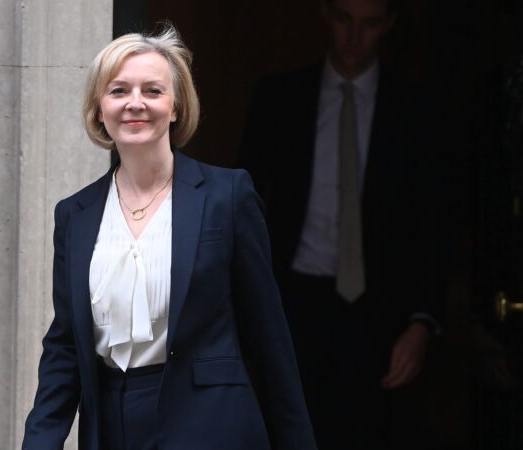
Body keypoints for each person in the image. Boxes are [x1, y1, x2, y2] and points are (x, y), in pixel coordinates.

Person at [23, 26, 317, 450]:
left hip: (210, 426)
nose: (135, 103)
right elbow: (66, 346)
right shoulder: (74, 215)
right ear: (99, 109)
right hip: (111, 427)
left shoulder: (228, 196)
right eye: (119, 90)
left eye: (153, 90)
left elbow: (269, 339)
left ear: (176, 106)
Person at [238, 1, 441, 449]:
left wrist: (421, 322)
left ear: (388, 24)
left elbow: (431, 223)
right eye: (345, 20)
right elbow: (242, 210)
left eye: (369, 24)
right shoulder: (280, 98)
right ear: (326, 15)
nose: (353, 38)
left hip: (382, 313)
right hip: (294, 305)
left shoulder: (416, 111)